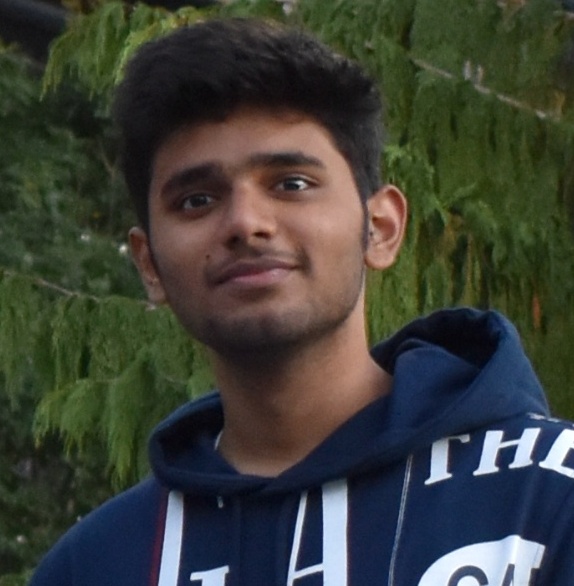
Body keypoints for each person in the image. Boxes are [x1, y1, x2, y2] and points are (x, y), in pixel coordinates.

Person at [30, 17, 574, 586]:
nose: (246, 223)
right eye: (196, 200)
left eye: (291, 184)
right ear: (149, 264)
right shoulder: (94, 566)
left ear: (381, 228)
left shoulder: (543, 499)